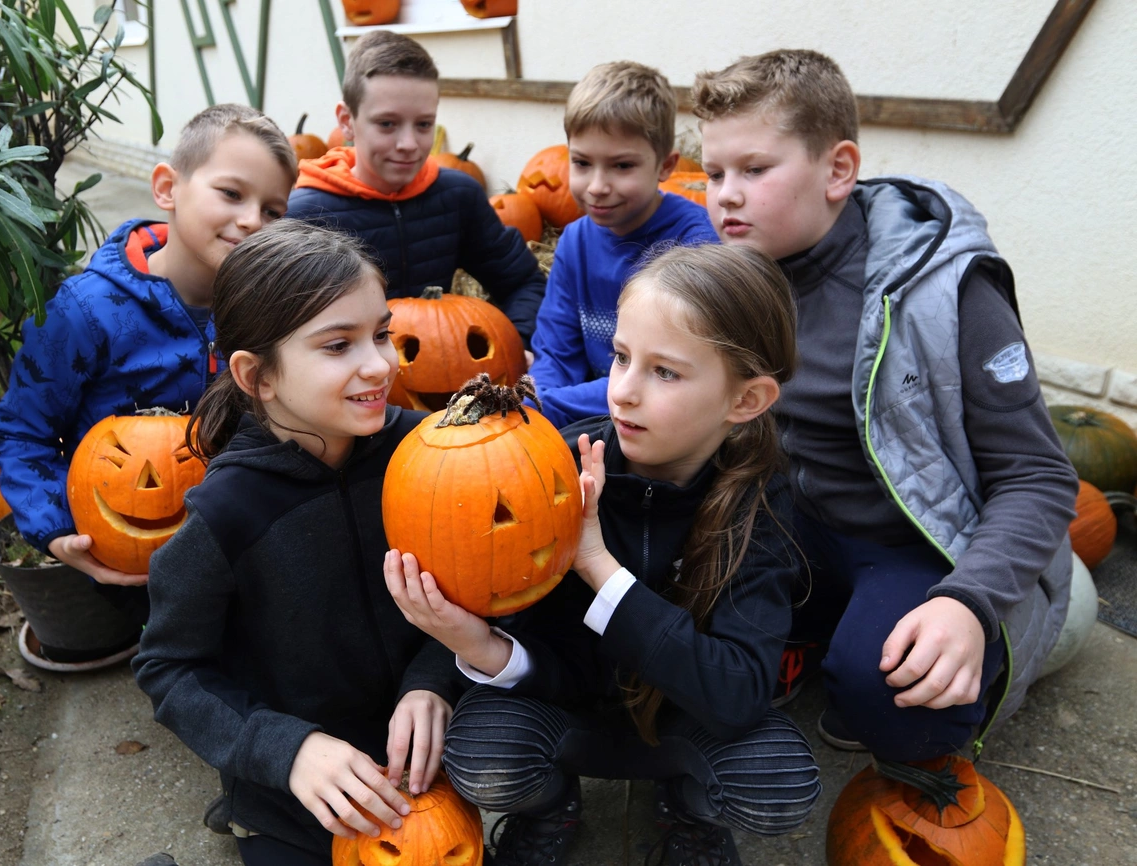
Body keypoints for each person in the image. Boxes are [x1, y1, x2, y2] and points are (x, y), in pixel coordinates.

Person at [692, 49, 1077, 763]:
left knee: (894, 703)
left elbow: (1039, 477)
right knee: (665, 576)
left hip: (909, 542)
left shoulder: (945, 290)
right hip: (794, 522)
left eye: (754, 170)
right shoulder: (740, 276)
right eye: (713, 174)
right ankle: (806, 630)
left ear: (838, 170)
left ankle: (1035, 609)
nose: (725, 196)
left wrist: (969, 603)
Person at [385, 244, 821, 866]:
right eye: (621, 357)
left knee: (779, 783)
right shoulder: (550, 464)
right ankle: (551, 806)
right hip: (571, 717)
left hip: (688, 725)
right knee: (479, 750)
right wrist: (472, 645)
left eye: (664, 372)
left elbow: (739, 691)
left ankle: (689, 811)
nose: (624, 392)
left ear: (745, 401)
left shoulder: (763, 503)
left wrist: (596, 564)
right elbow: (525, 624)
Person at [133, 220, 464, 866]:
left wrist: (433, 679)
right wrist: (287, 751)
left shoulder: (426, 453)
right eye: (337, 345)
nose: (378, 364)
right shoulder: (226, 513)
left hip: (427, 763)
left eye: (380, 334)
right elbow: (170, 669)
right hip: (295, 791)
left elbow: (477, 581)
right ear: (258, 376)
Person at [0, 104, 296, 595]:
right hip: (127, 539)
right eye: (232, 193)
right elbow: (23, 431)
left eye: (272, 211)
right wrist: (55, 528)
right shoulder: (85, 312)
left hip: (236, 539)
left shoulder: (262, 309)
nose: (251, 221)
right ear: (167, 188)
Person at [286, 30, 547, 346]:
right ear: (347, 121)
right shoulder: (303, 217)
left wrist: (514, 344)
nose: (408, 144)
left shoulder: (457, 196)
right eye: (387, 124)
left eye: (423, 124)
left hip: (440, 370)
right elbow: (278, 326)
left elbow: (522, 282)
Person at [528, 61, 718, 428]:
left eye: (621, 166)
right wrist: (535, 405)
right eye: (582, 163)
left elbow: (663, 377)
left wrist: (548, 406)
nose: (597, 185)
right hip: (591, 417)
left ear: (666, 166)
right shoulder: (575, 243)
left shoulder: (694, 247)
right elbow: (555, 352)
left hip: (663, 428)